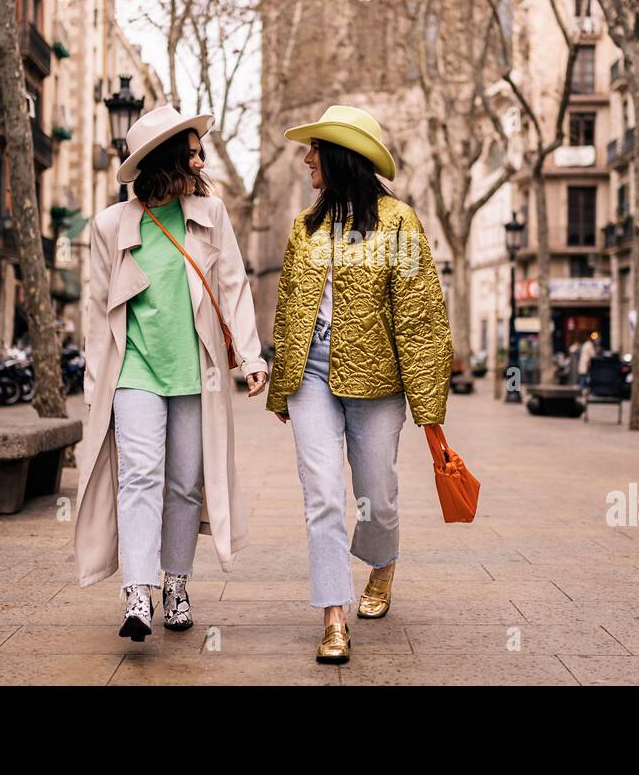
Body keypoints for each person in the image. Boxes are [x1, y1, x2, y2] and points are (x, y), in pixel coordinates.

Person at [73, 105, 268, 641]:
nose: (202, 158)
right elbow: (95, 310)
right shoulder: (110, 226)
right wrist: (95, 390)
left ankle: (176, 582)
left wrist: (251, 358)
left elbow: (233, 286)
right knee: (140, 474)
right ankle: (139, 592)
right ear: (168, 158)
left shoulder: (211, 214)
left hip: (197, 372)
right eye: (193, 149)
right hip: (134, 370)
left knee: (184, 484)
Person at [267, 105, 453, 665]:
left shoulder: (398, 223)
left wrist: (428, 406)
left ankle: (383, 562)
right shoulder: (306, 225)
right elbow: (289, 307)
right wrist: (283, 382)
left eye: (314, 150)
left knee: (377, 496)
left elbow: (420, 316)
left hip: (380, 381)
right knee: (322, 495)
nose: (305, 160)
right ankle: (333, 616)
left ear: (338, 156)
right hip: (313, 377)